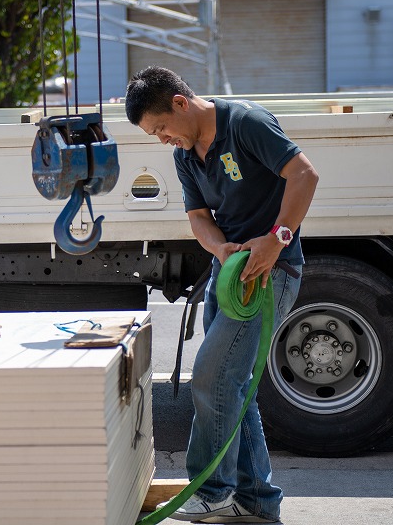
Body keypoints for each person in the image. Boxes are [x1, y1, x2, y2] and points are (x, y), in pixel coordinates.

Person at [125, 66, 318, 524]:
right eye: (154, 136)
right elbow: (198, 216)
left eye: (161, 128)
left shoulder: (245, 122)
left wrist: (278, 237)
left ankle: (213, 491)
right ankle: (256, 502)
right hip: (227, 273)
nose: (163, 139)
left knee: (212, 378)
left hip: (269, 275)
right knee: (232, 387)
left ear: (179, 102)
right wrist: (220, 248)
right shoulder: (187, 153)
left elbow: (305, 175)